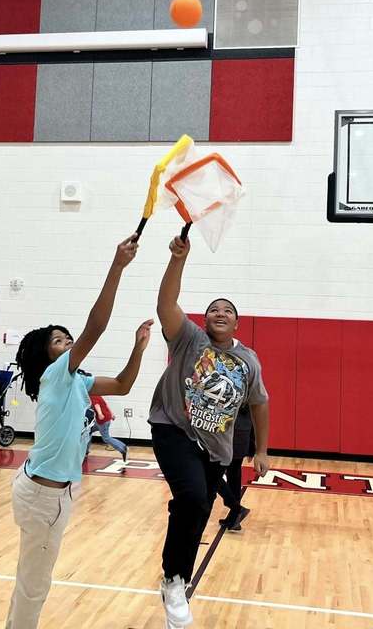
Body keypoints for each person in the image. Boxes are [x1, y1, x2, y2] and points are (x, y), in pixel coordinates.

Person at [5, 234, 151, 629]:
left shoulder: (77, 381)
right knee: (35, 584)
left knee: (31, 579)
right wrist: (117, 266)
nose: (67, 342)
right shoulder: (55, 375)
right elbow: (96, 326)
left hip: (53, 491)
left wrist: (138, 348)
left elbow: (122, 385)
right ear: (46, 355)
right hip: (42, 496)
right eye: (59, 341)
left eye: (67, 338)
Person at [150, 235, 270, 628]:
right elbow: (166, 304)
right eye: (213, 309)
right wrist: (177, 260)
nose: (220, 312)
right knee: (193, 498)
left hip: (216, 448)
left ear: (237, 322)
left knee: (197, 507)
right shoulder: (189, 338)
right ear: (204, 319)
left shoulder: (248, 359)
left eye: (228, 310)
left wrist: (263, 450)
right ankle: (174, 580)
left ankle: (175, 573)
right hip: (173, 429)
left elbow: (260, 402)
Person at [215, 403, 255, 531]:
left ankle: (236, 509)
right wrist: (251, 446)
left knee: (211, 473)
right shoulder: (248, 387)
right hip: (242, 434)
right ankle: (234, 518)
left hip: (229, 434)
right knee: (234, 476)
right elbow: (255, 413)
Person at [88, 393, 129, 462]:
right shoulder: (98, 395)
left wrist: (100, 414)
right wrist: (112, 414)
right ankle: (86, 451)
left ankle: (122, 448)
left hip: (103, 420)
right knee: (89, 430)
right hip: (105, 419)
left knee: (106, 438)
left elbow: (96, 405)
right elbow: (106, 405)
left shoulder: (92, 396)